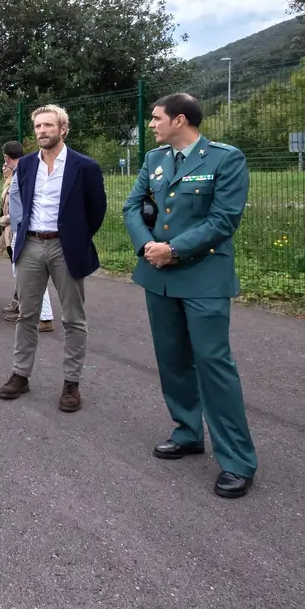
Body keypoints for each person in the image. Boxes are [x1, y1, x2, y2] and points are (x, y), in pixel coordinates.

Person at [123, 92, 257, 499]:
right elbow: (132, 207)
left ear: (180, 120)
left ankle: (236, 460)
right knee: (173, 359)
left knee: (213, 364)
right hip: (158, 276)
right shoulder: (154, 160)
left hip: (202, 277)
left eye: (157, 118)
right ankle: (187, 431)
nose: (152, 124)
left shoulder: (224, 158)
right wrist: (149, 246)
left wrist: (174, 250)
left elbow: (224, 219)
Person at [0, 105, 106, 412]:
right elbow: (21, 203)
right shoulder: (27, 164)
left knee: (73, 318)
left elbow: (96, 210)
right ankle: (21, 374)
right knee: (27, 315)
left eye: (48, 125)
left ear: (63, 129)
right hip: (31, 245)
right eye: (38, 127)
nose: (42, 131)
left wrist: (76, 237)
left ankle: (71, 383)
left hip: (65, 247)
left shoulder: (84, 166)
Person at [0, 140, 54, 330]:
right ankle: (28, 312)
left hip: (25, 232)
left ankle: (44, 317)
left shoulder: (24, 172)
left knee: (30, 276)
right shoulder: (23, 172)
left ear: (6, 157)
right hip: (20, 229)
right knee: (24, 276)